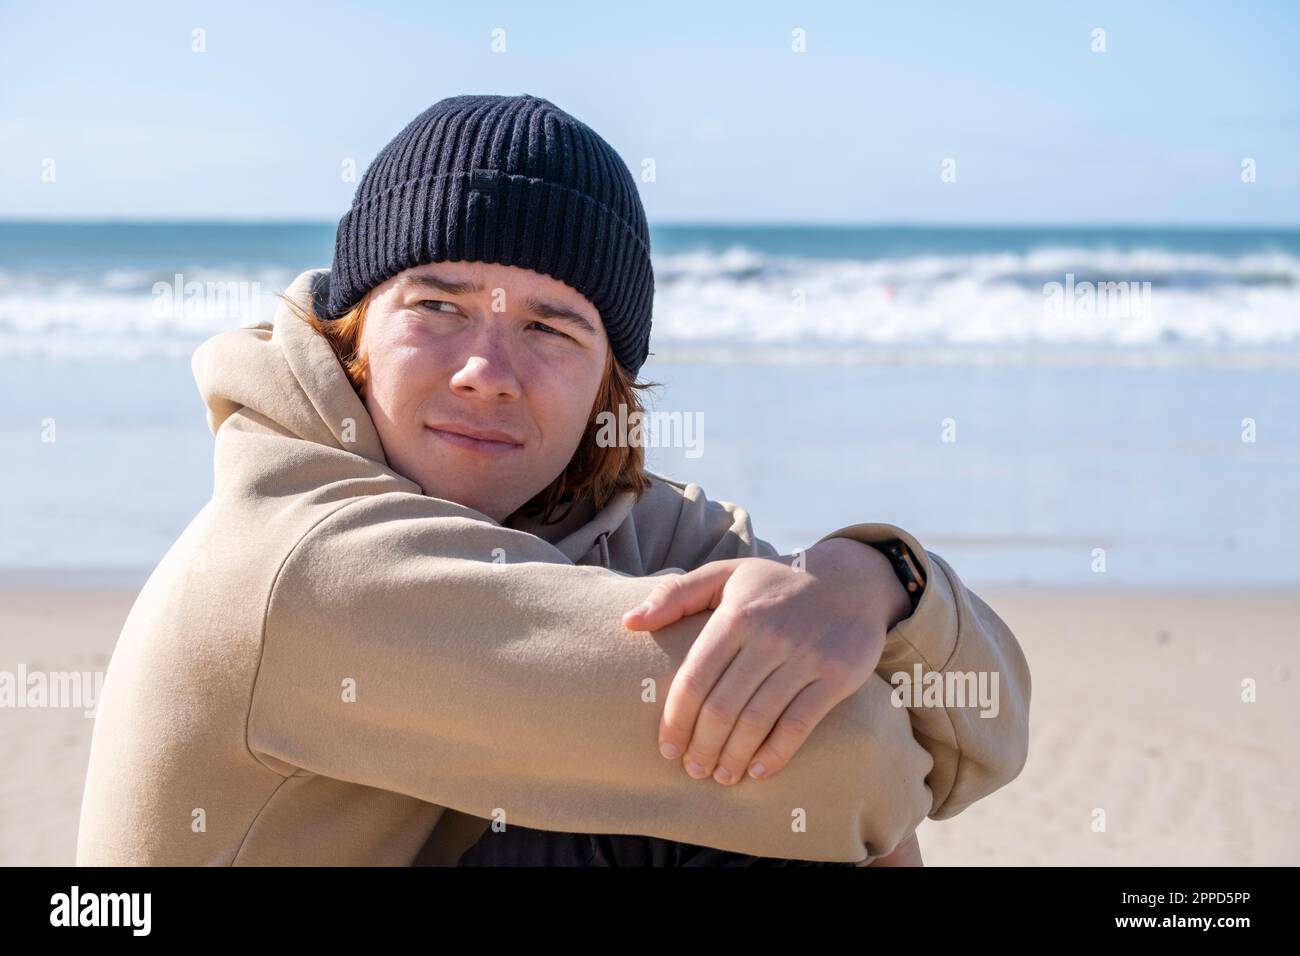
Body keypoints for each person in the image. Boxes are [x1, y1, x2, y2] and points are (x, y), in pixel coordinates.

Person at [75, 94, 1030, 867]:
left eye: (548, 327)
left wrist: (868, 583)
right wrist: (842, 684)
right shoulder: (296, 566)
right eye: (436, 306)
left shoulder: (602, 522)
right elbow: (847, 763)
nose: (484, 369)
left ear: (608, 378)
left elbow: (987, 738)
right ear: (352, 329)